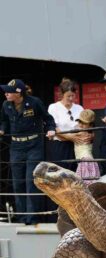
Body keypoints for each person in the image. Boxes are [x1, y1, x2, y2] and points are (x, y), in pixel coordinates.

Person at [0, 79, 56, 224]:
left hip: (33, 146)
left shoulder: (34, 102)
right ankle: (21, 216)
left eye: (9, 91)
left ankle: (32, 218)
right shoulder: (6, 105)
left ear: (18, 93)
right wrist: (2, 129)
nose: (6, 94)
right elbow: (4, 121)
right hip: (16, 147)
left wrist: (51, 129)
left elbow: (47, 118)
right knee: (17, 182)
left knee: (30, 181)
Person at [48, 78, 91, 171]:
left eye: (73, 96)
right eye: (68, 96)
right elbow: (56, 129)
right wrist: (71, 137)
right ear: (62, 95)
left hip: (77, 146)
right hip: (60, 146)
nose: (71, 99)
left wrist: (86, 136)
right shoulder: (53, 107)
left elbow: (84, 127)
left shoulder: (79, 108)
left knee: (77, 173)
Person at [74, 109, 100, 185]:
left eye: (84, 123)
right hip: (82, 159)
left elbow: (65, 136)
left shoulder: (83, 133)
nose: (81, 125)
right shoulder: (88, 132)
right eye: (79, 121)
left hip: (85, 160)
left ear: (90, 125)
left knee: (85, 182)